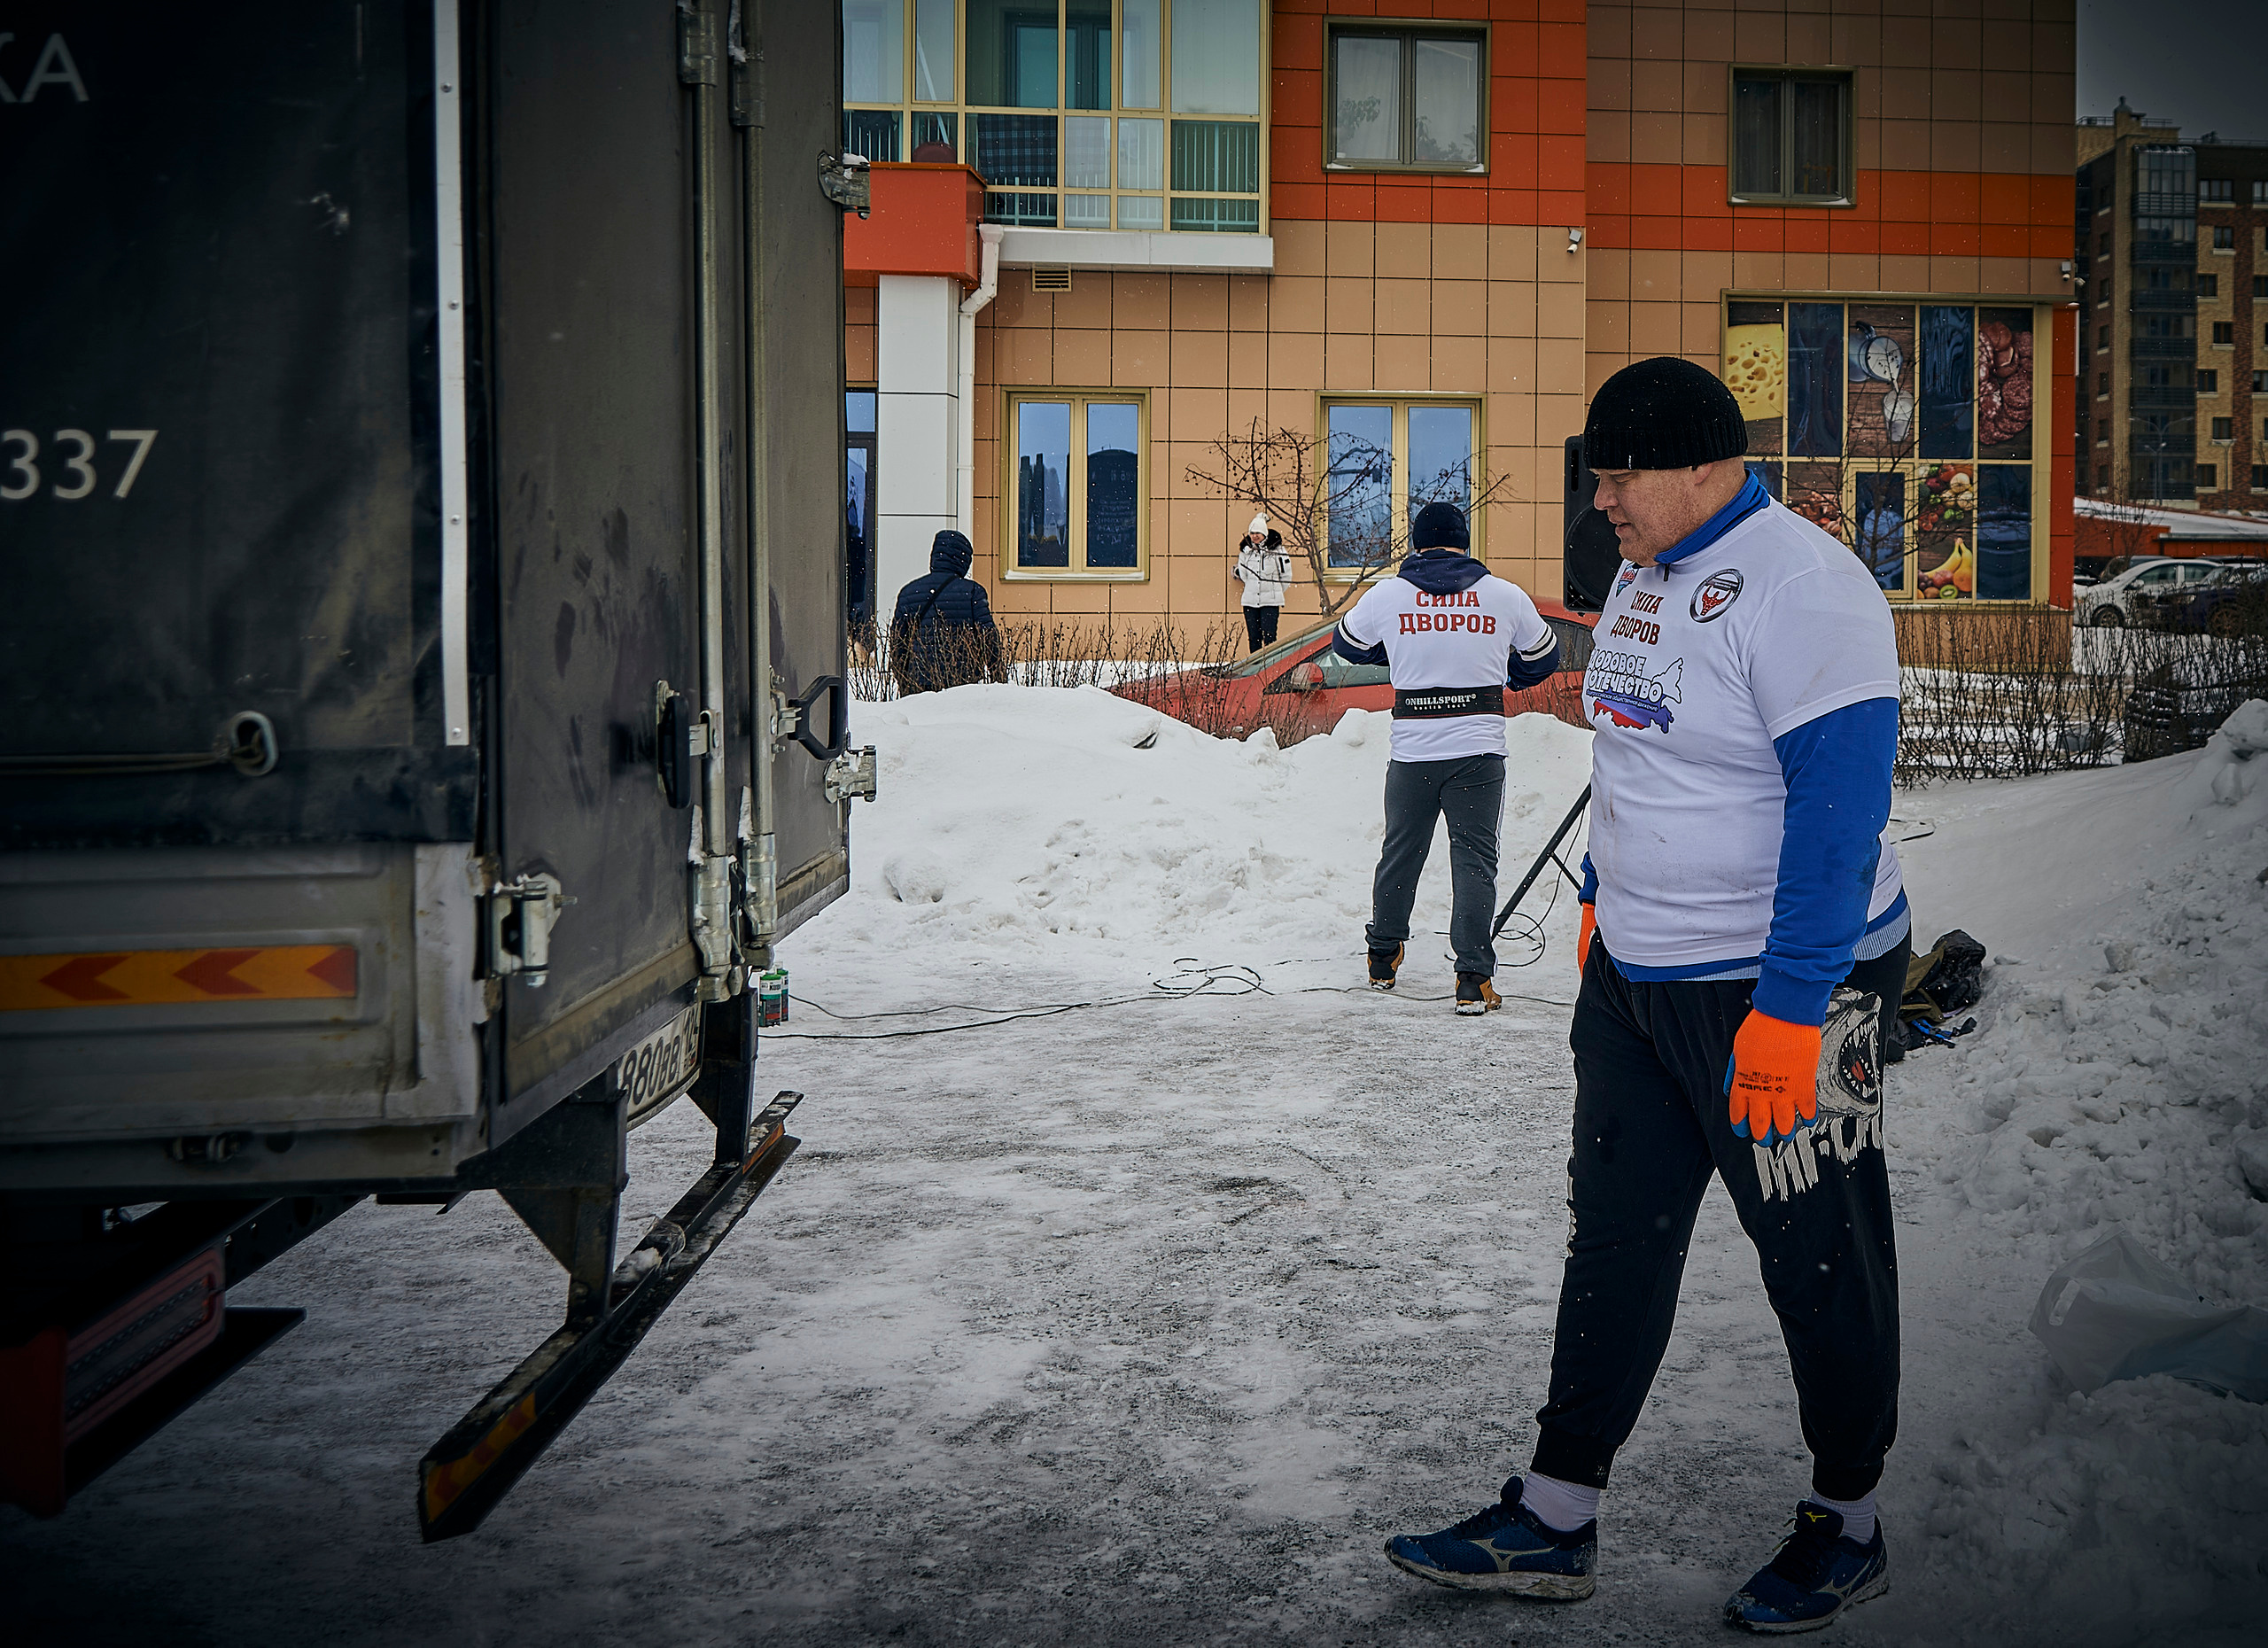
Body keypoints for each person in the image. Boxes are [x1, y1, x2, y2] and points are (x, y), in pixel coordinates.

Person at [1381, 357, 1912, 1634]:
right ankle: (1556, 1513)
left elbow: (1838, 819)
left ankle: (1849, 1520)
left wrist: (1793, 1011)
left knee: (1819, 1249)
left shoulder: (1808, 588)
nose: (1602, 501)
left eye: (1621, 476)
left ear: (1703, 468)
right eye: (1599, 476)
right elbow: (1637, 753)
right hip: (1636, 974)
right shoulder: (1641, 571)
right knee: (1615, 1234)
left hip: (1790, 981)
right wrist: (1601, 904)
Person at [1331, 501, 1560, 1015]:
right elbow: (1546, 657)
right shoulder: (1504, 595)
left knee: (1401, 852)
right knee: (1475, 860)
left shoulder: (1389, 595)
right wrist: (1509, 677)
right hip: (1478, 751)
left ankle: (1383, 956)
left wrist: (1395, 651)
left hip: (1413, 750)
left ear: (1417, 543)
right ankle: (1472, 980)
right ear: (1465, 543)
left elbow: (1346, 644)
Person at [889, 529, 1002, 696]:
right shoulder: (973, 592)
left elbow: (898, 644)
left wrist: (905, 683)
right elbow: (988, 639)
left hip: (920, 684)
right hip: (963, 684)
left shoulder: (908, 592)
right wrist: (998, 678)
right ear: (963, 560)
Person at [1233, 513, 1291, 653]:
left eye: (1258, 533)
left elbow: (1286, 575)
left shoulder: (1277, 550)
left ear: (1264, 533)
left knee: (1270, 637)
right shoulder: (1246, 552)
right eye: (1252, 533)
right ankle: (1255, 664)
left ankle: (1271, 664)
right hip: (1250, 602)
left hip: (1271, 602)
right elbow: (1244, 575)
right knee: (1254, 638)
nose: (1255, 536)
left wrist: (1275, 591)